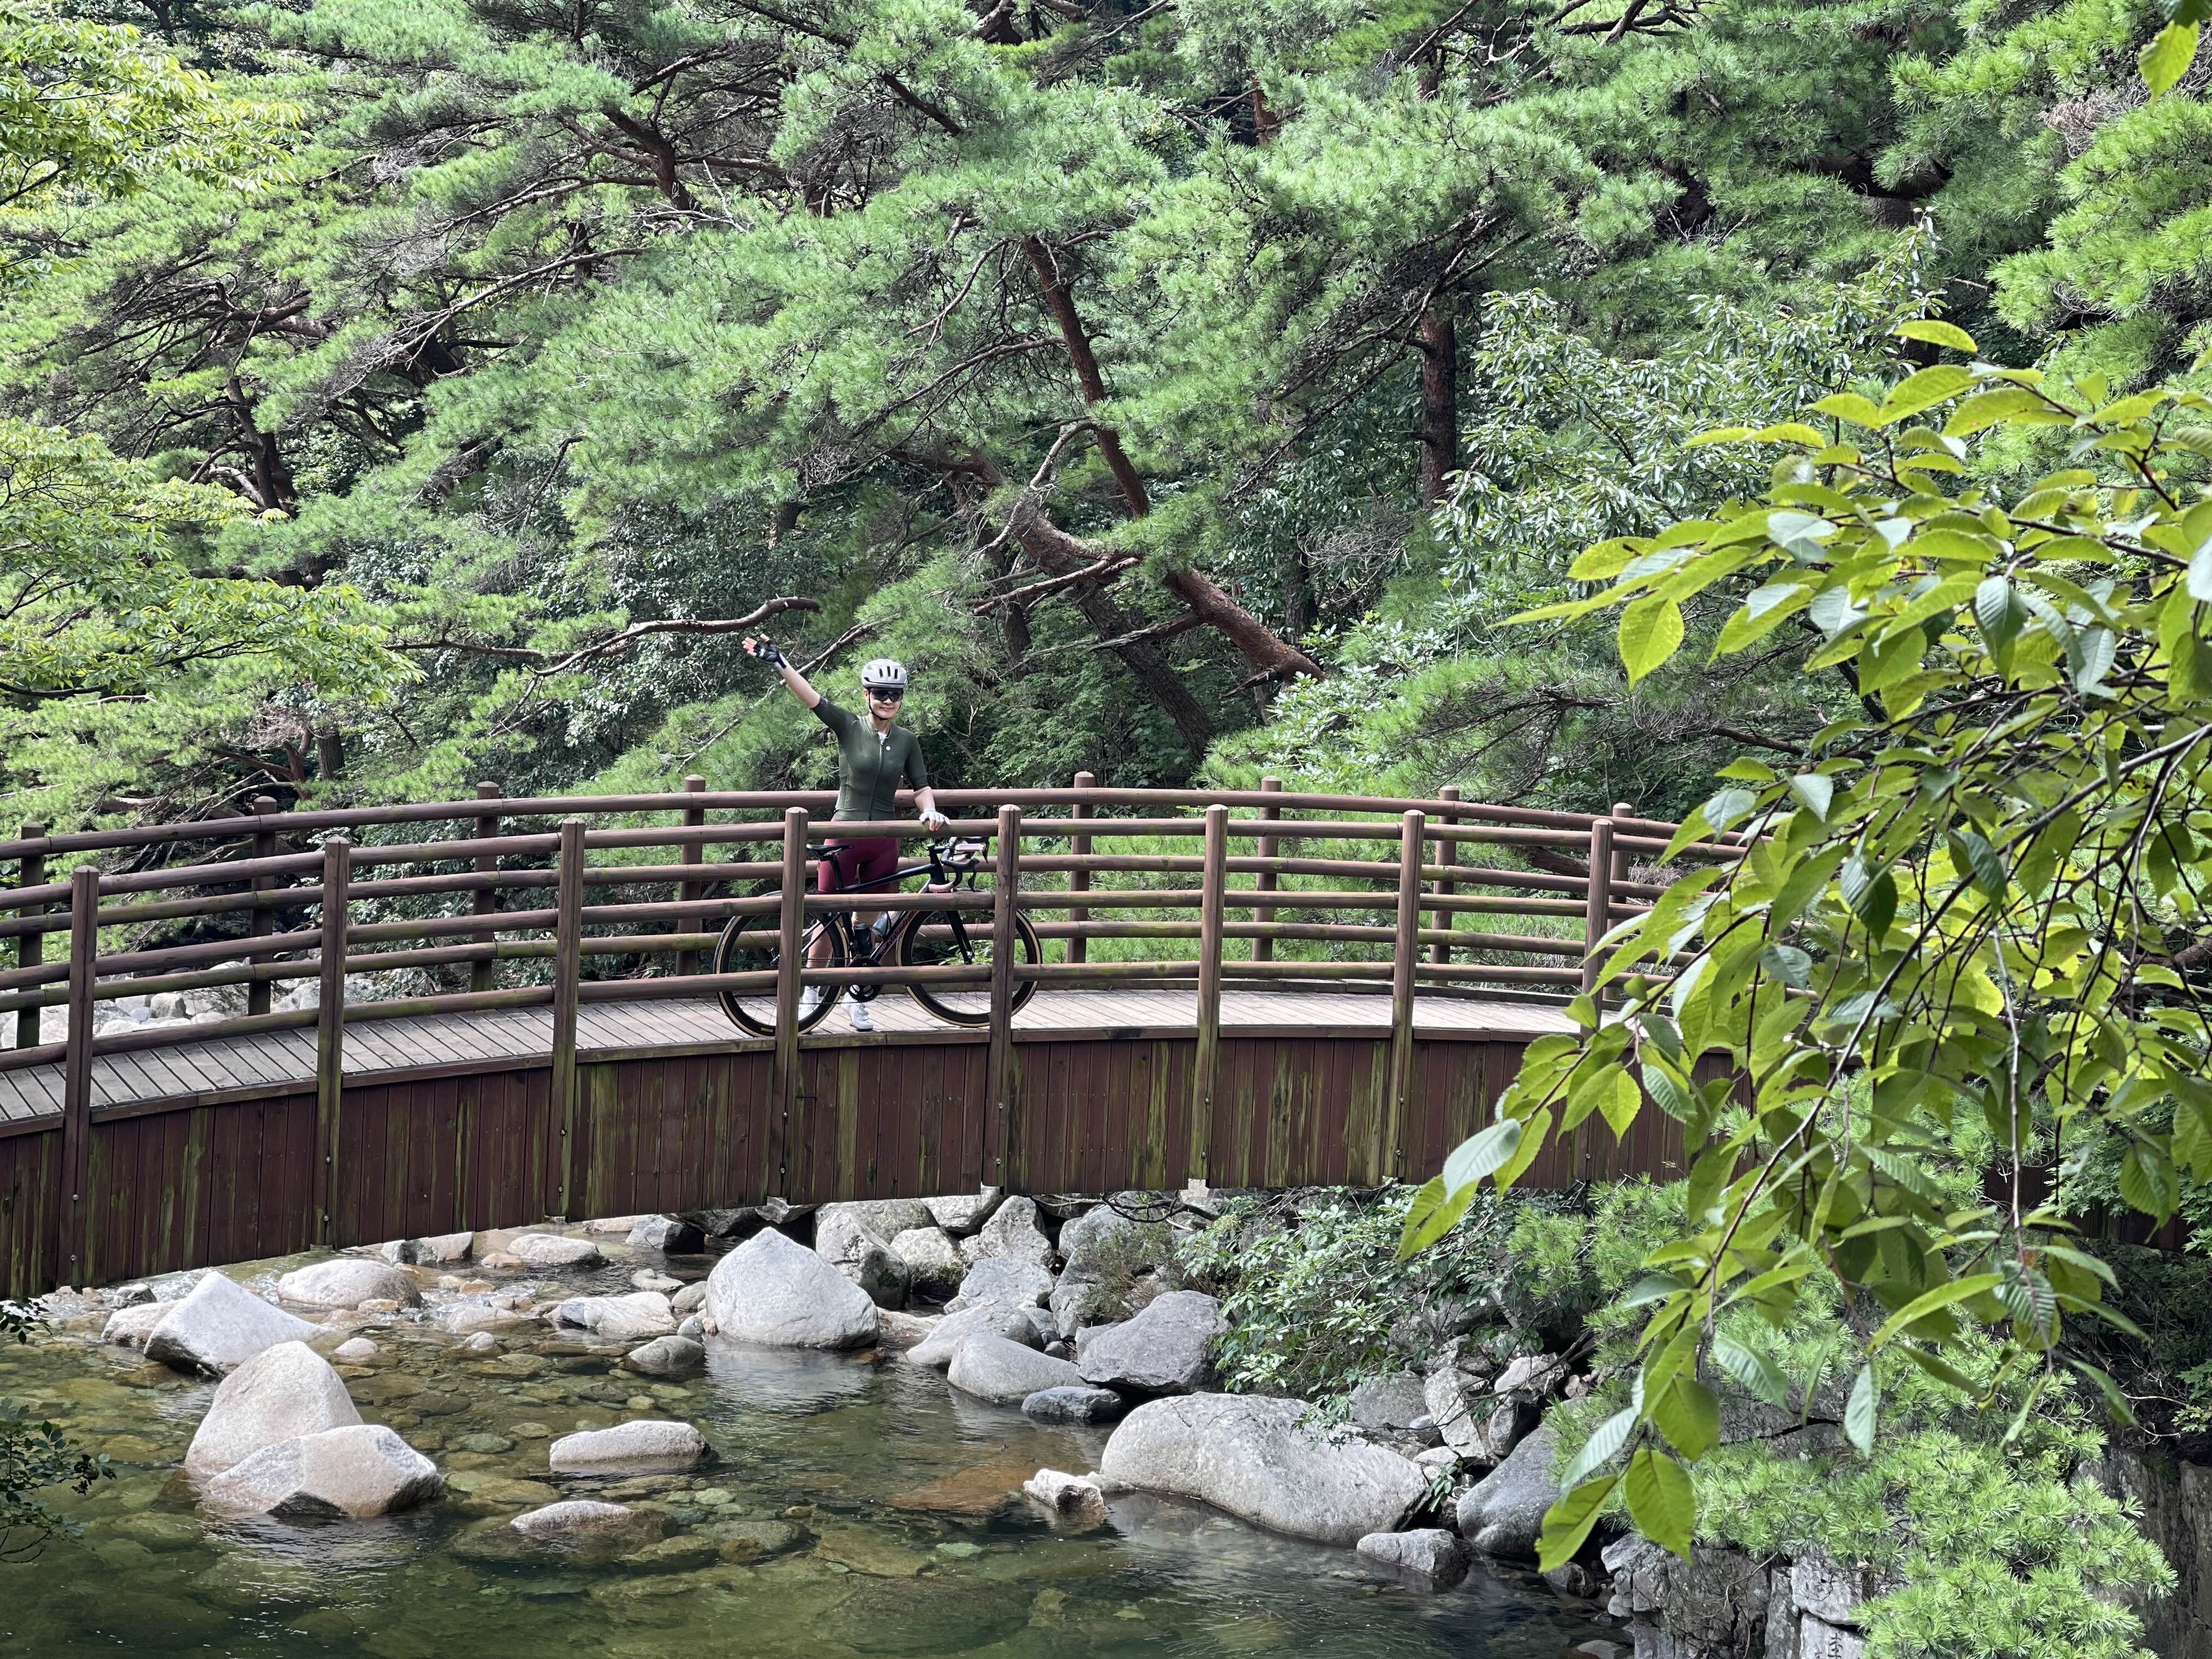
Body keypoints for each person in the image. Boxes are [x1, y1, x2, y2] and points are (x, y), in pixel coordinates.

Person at [743, 637, 949, 1030]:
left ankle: (856, 998)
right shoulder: (850, 727)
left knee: (866, 924)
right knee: (826, 918)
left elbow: (921, 786)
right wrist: (780, 663)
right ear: (867, 695)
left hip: (884, 841)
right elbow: (813, 699)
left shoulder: (907, 740)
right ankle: (811, 994)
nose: (888, 700)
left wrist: (930, 810)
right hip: (844, 835)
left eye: (895, 694)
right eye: (881, 693)